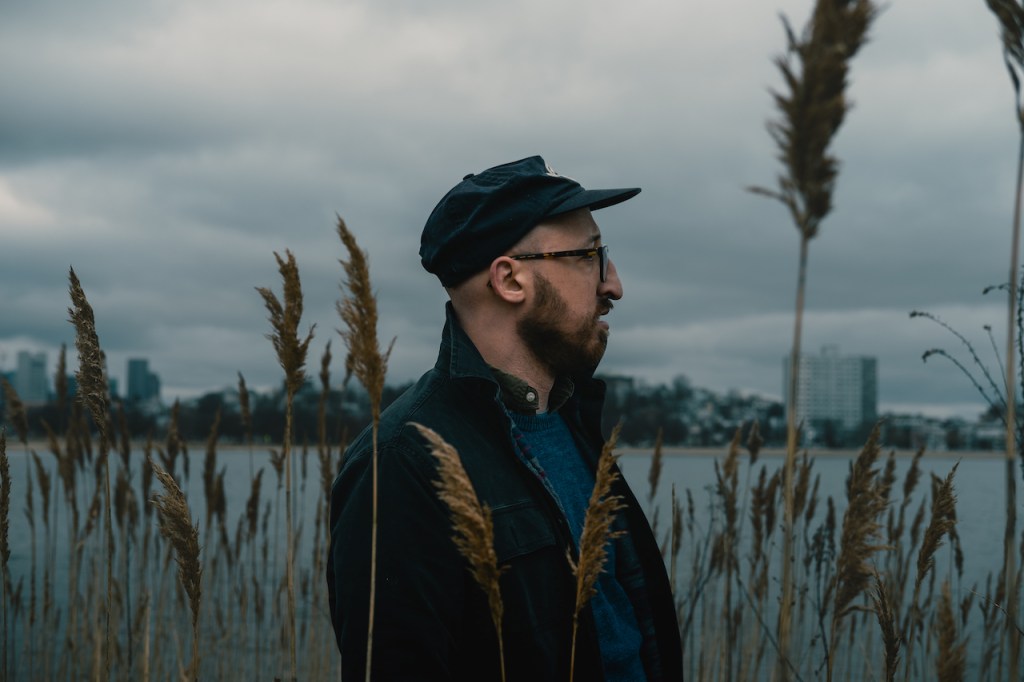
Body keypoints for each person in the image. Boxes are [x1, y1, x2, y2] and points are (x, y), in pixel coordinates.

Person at [327, 155, 683, 681]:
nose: (614, 286)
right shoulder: (401, 466)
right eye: (590, 256)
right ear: (510, 279)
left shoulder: (570, 424)